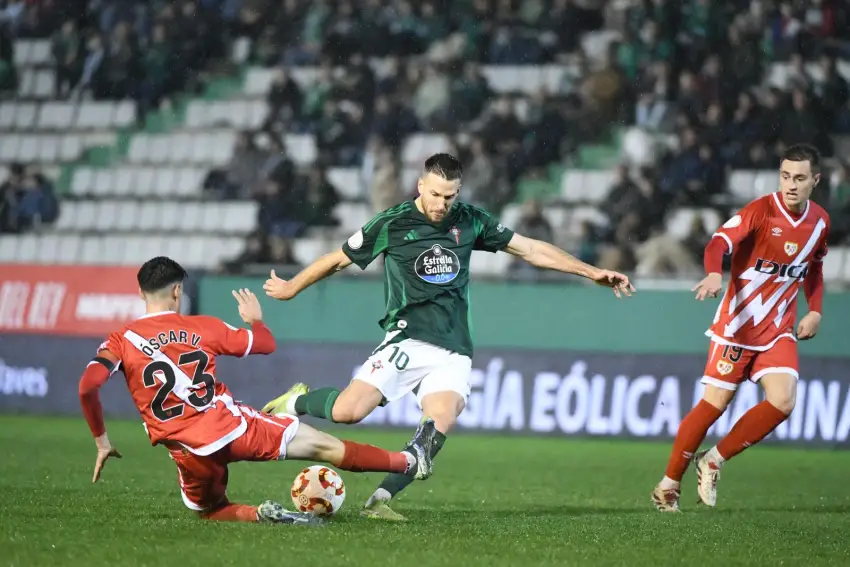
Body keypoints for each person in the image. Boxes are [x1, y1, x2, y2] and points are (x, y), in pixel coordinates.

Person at [260, 153, 635, 521]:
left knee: (440, 420)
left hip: (453, 347)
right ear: (421, 185)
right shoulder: (392, 222)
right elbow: (338, 258)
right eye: (435, 194)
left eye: (449, 196)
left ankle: (380, 498)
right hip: (407, 339)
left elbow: (532, 249)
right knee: (347, 412)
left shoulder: (471, 220)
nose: (442, 204)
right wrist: (293, 287)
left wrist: (591, 272)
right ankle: (299, 400)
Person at [78, 256, 437, 525]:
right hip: (231, 428)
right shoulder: (204, 327)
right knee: (325, 446)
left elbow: (87, 387)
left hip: (187, 451)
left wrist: (101, 441)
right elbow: (264, 344)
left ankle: (260, 514)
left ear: (140, 292)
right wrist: (255, 320)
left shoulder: (120, 341)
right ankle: (409, 461)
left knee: (210, 510)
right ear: (177, 291)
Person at [652, 143, 830, 512]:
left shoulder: (821, 222)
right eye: (785, 176)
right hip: (738, 326)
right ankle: (669, 484)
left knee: (783, 401)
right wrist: (715, 273)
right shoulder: (761, 210)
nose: (790, 185)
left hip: (779, 328)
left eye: (799, 178)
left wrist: (814, 311)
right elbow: (718, 242)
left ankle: (713, 460)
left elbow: (814, 267)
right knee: (714, 404)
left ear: (816, 180)